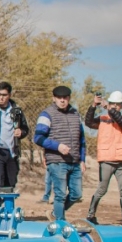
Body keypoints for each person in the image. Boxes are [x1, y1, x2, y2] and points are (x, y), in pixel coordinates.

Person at [33, 85, 85, 221]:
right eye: (59, 98)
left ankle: (56, 213)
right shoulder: (47, 114)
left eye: (65, 98)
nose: (62, 100)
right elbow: (38, 138)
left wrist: (82, 159)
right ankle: (60, 224)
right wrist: (57, 146)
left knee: (76, 194)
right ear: (53, 98)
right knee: (60, 194)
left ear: (69, 98)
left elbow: (82, 139)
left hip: (74, 161)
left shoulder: (75, 114)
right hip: (56, 161)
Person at [85, 91, 122, 226]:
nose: (115, 107)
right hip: (106, 160)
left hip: (121, 161)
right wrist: (93, 105)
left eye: (117, 105)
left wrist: (109, 108)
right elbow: (88, 122)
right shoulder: (102, 119)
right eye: (113, 104)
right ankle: (91, 215)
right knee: (102, 189)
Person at [0, 81, 29, 212]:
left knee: (11, 182)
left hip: (11, 151)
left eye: (4, 95)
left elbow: (25, 128)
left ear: (9, 95)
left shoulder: (16, 110)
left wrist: (21, 132)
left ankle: (8, 210)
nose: (0, 98)